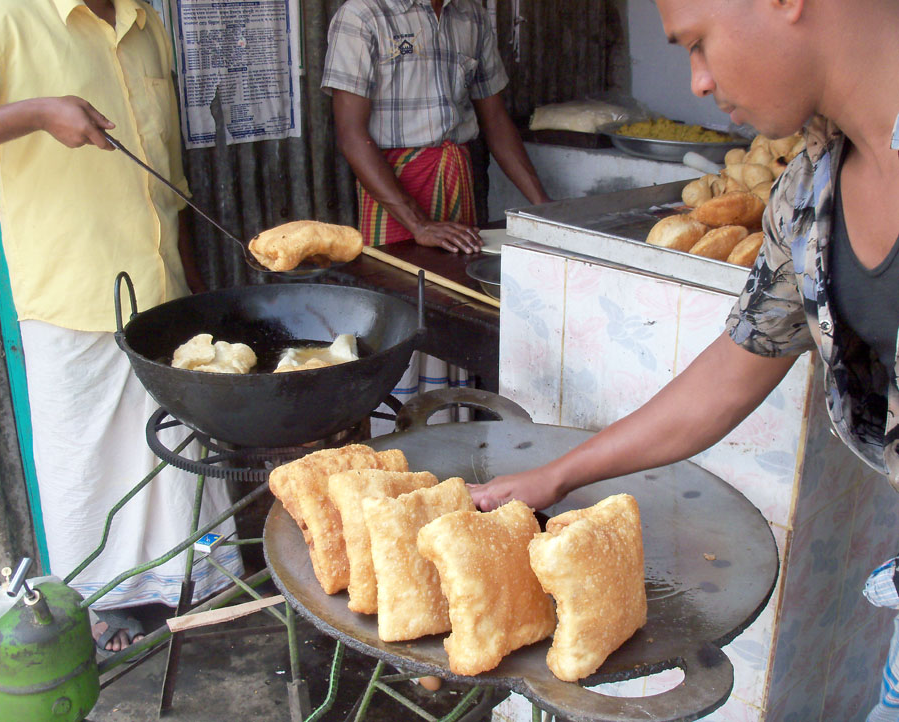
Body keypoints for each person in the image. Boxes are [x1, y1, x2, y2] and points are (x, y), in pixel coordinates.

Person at [468, 0, 899, 718]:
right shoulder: (811, 193)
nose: (697, 82)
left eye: (697, 43)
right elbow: (732, 373)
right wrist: (557, 475)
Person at [0, 0, 242, 653]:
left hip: (162, 295)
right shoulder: (0, 23)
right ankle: (103, 610)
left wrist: (193, 286)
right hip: (71, 298)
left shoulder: (144, 23)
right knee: (90, 469)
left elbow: (167, 170)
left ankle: (197, 589)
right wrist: (37, 112)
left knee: (182, 456)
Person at [321, 0, 551, 252]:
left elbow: (494, 119)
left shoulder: (472, 16)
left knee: (456, 278)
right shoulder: (362, 15)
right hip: (391, 187)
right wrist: (419, 224)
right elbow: (351, 135)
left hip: (455, 175)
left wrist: (544, 207)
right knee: (399, 281)